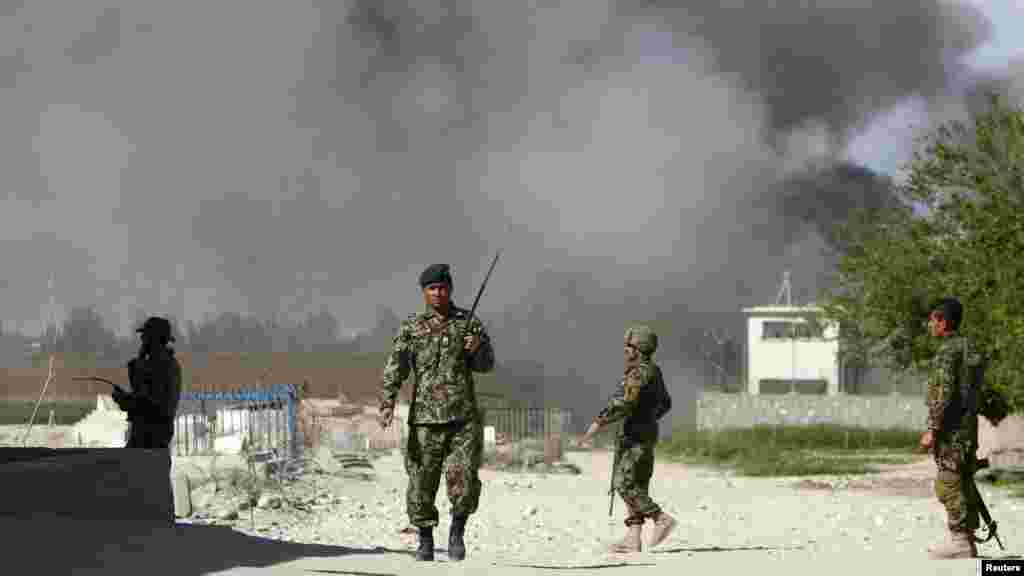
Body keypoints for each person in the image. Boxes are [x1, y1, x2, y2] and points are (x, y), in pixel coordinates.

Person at [377, 264, 496, 562]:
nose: (438, 293)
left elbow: (486, 365)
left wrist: (477, 348)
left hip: (462, 420)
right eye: (432, 288)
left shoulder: (469, 323)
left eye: (442, 288)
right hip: (425, 421)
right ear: (424, 292)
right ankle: (426, 539)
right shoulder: (412, 327)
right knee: (421, 483)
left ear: (450, 289)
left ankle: (457, 533)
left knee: (463, 479)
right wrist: (387, 401)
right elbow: (396, 366)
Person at [575, 324, 676, 553]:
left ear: (637, 348)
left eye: (628, 346)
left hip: (635, 437)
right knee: (638, 484)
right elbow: (666, 403)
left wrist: (598, 423)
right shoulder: (654, 371)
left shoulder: (639, 372)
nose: (624, 350)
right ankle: (633, 538)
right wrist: (649, 417)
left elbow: (624, 402)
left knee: (624, 483)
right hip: (644, 433)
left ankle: (660, 518)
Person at [920, 297, 980, 559]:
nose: (930, 325)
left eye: (933, 319)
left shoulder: (947, 352)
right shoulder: (969, 348)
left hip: (951, 430)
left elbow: (942, 394)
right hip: (968, 427)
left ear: (943, 321)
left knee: (948, 484)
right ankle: (966, 541)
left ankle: (959, 542)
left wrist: (932, 428)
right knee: (963, 482)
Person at [112, 316, 182, 524]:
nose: (142, 340)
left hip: (151, 431)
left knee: (142, 479)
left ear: (153, 338)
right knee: (151, 479)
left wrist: (127, 401)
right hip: (153, 429)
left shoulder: (160, 366)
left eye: (145, 336)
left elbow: (151, 403)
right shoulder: (162, 364)